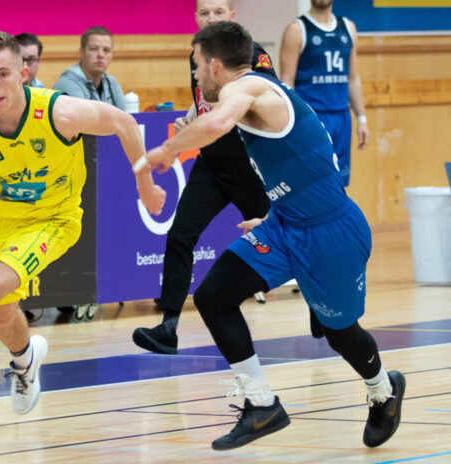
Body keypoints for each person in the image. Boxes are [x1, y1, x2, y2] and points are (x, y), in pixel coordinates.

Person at [138, 21, 405, 451]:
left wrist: (168, 150)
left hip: (330, 232)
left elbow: (217, 122)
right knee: (213, 296)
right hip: (284, 224)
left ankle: (383, 391)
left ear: (215, 64)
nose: (195, 76)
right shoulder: (251, 92)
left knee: (340, 333)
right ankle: (261, 404)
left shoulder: (247, 89)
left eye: (197, 66)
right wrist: (270, 213)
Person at [0, 31, 166, 446]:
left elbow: (124, 122)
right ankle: (25, 360)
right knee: (1, 314)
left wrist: (144, 185)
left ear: (23, 73)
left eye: (2, 74)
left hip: (51, 220)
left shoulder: (59, 113)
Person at [132, 0, 272, 355]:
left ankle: (322, 310)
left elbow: (262, 103)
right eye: (204, 12)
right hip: (211, 164)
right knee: (180, 236)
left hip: (251, 168)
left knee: (284, 237)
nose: (211, 18)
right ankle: (168, 327)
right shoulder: (197, 55)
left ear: (232, 17)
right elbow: (204, 100)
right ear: (195, 17)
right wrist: (190, 118)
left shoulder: (254, 56)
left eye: (218, 12)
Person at [279, 0, 369, 187]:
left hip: (341, 118)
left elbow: (353, 78)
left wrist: (362, 119)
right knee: (313, 181)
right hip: (312, 118)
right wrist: (293, 124)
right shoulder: (297, 29)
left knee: (339, 181)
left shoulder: (348, 28)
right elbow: (287, 82)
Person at [53, 26, 126, 110]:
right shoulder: (68, 83)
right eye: (94, 49)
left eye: (106, 50)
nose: (101, 55)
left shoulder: (112, 83)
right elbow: (82, 117)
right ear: (81, 53)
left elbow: (127, 116)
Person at [0, 32, 44, 100]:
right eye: (20, 59)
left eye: (31, 59)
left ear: (39, 62)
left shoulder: (40, 88)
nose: (25, 65)